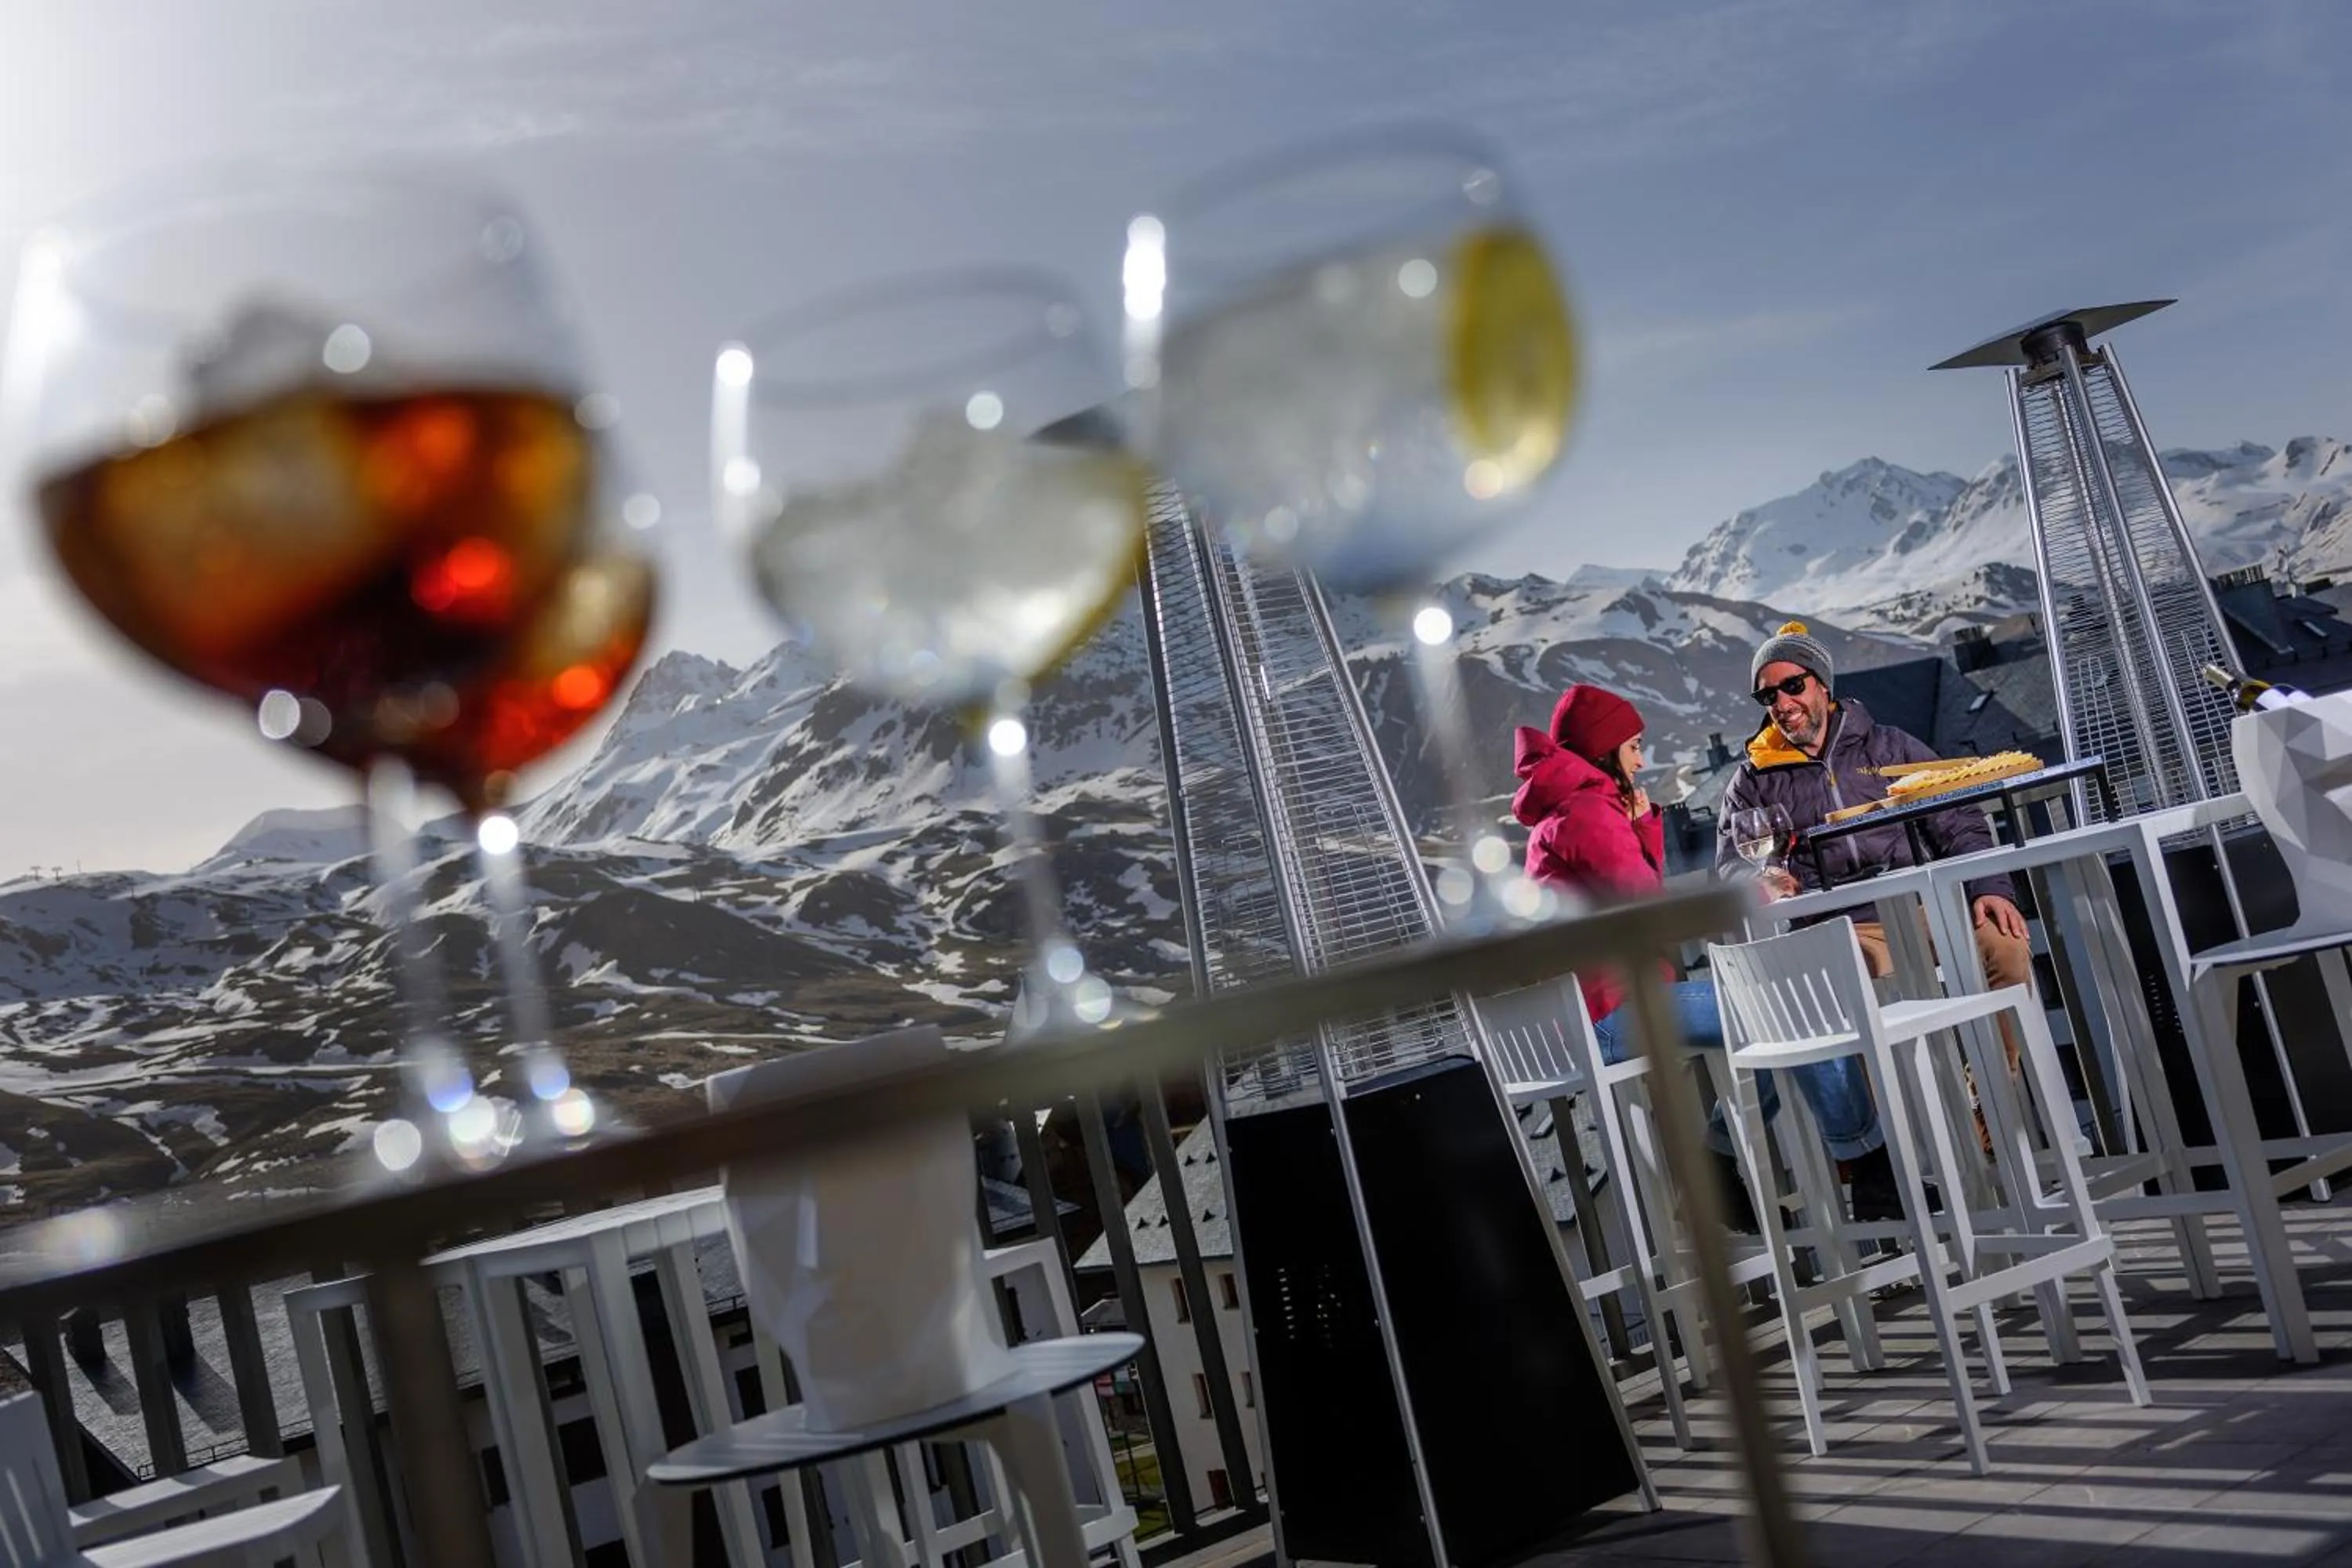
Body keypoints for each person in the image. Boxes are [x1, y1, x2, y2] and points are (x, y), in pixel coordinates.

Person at [1513, 683, 1896, 1224]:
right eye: (1633, 747)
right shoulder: (1586, 813)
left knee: (1764, 1020)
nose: (1642, 760)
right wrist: (1756, 892)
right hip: (1611, 1011)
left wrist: (1642, 826)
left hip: (1591, 1010)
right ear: (1604, 752)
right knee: (1789, 1009)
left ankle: (1715, 1173)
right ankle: (1870, 1170)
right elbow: (1649, 911)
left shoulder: (1567, 814)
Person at [1717, 620, 2033, 1067]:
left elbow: (1959, 818)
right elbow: (1732, 863)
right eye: (1768, 696)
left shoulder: (1889, 747)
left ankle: (1993, 1096)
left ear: (1822, 686)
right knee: (1845, 992)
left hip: (1925, 909)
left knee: (2005, 943)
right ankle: (1905, 1121)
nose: (1783, 704)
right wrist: (1762, 879)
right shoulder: (1752, 782)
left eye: (1793, 686)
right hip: (1838, 928)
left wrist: (1989, 887)